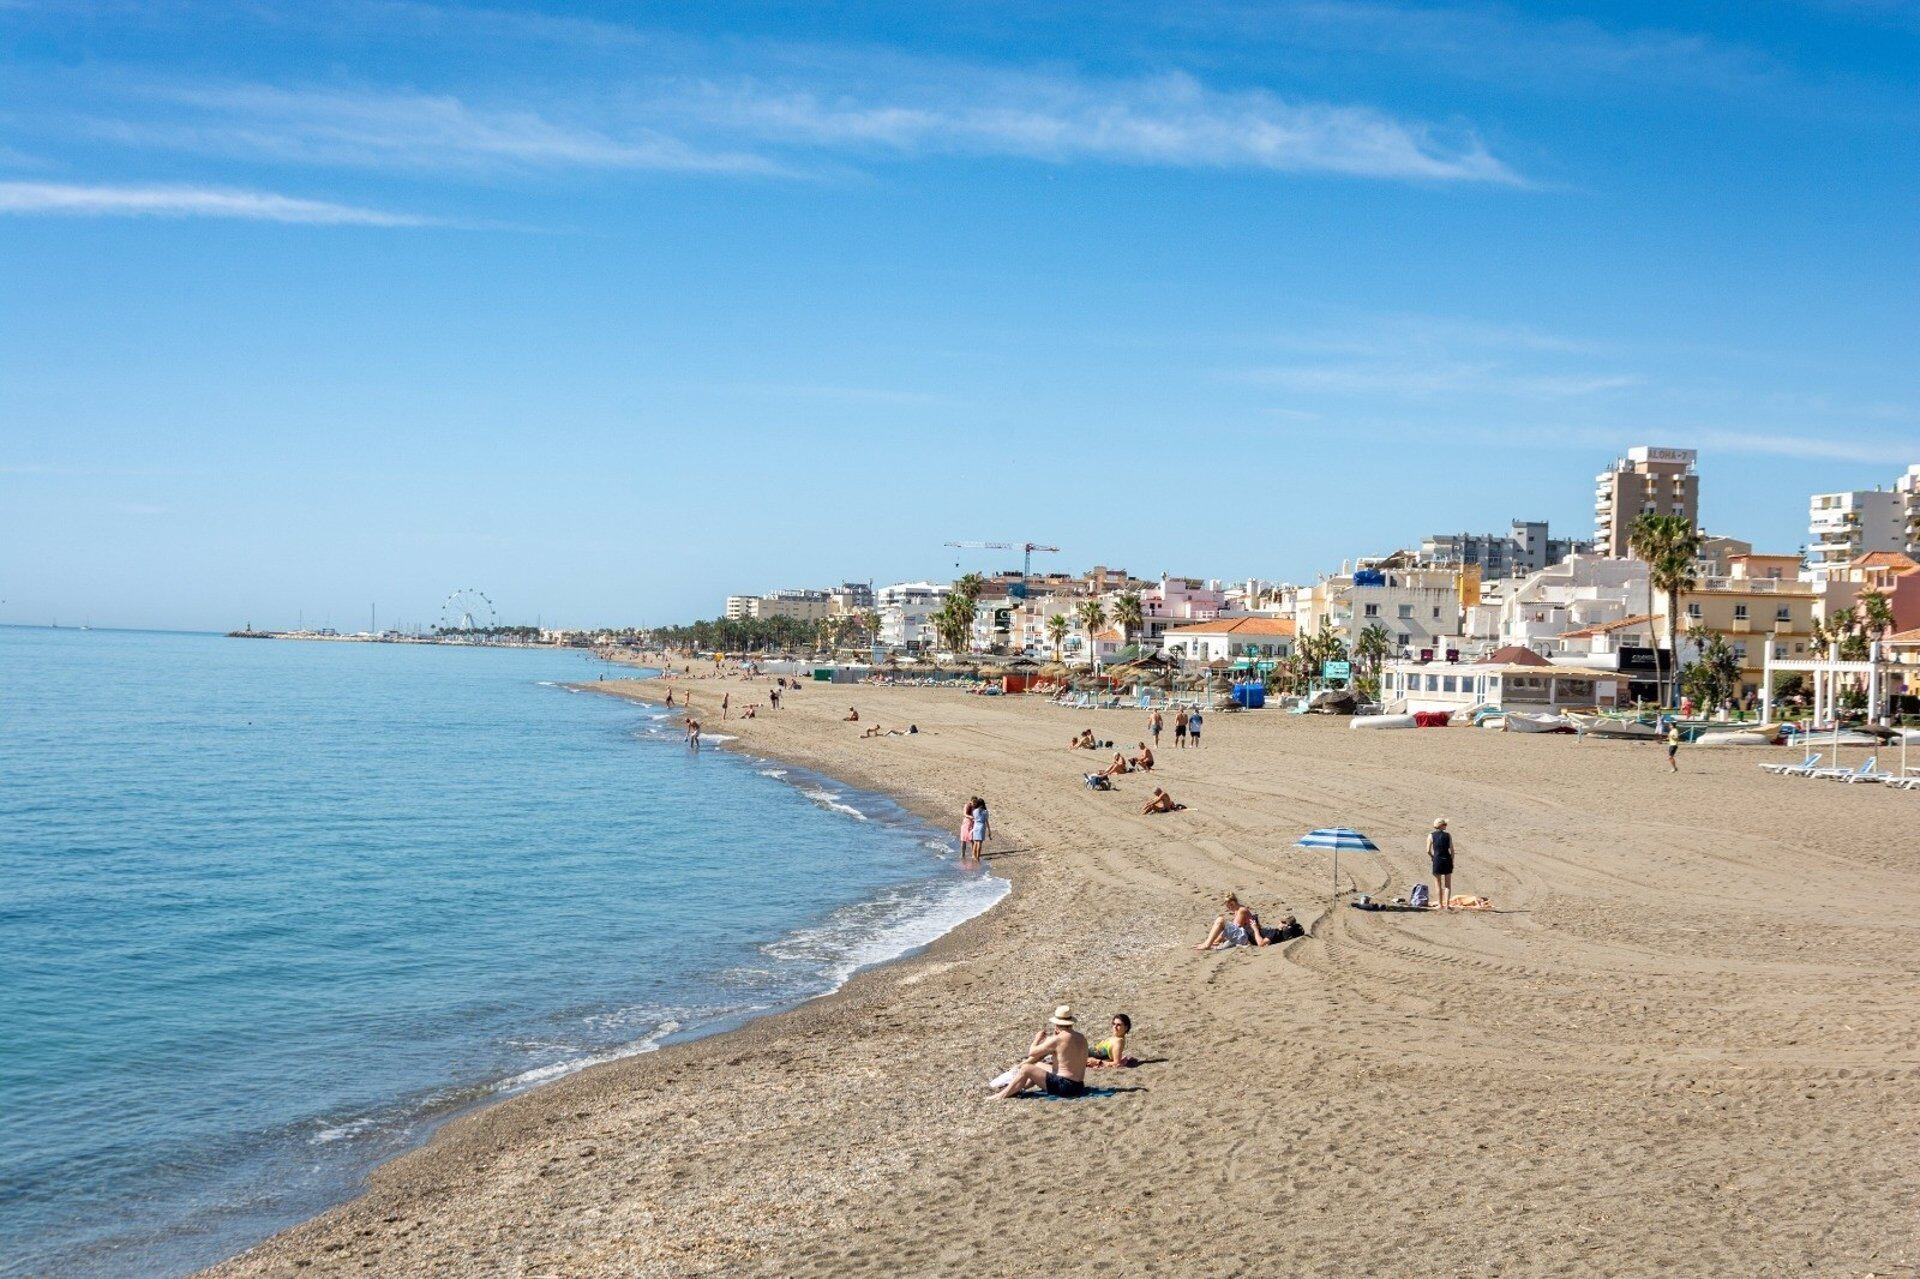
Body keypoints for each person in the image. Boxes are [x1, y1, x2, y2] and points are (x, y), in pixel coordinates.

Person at [995, 1005, 1089, 1099]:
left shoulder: (1058, 1039)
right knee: (1038, 1065)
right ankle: (1019, 1088)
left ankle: (1002, 1095)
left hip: (1065, 1087)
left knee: (1026, 1068)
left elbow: (1032, 1052)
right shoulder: (1081, 1037)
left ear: (1056, 1024)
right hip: (1079, 1086)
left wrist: (1037, 1039)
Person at [1194, 894, 1267, 949]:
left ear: (1234, 902)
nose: (1230, 908)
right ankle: (1208, 943)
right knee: (1221, 928)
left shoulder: (1241, 910)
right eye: (1228, 906)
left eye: (1231, 905)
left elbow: (1235, 928)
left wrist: (1217, 940)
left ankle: (1207, 944)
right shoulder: (1238, 910)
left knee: (1220, 920)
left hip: (1245, 937)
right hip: (1243, 936)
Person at [1427, 818, 1455, 909]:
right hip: (1447, 859)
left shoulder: (1431, 835)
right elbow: (1452, 850)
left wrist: (1432, 857)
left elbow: (1427, 850)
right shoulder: (1448, 835)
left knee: (1438, 883)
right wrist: (1452, 860)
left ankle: (1440, 904)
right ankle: (1447, 905)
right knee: (1448, 885)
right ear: (1442, 826)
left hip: (1437, 860)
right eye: (1445, 825)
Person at [959, 798, 978, 863]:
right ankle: (962, 854)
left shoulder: (976, 808)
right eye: (973, 802)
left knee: (972, 839)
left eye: (975, 803)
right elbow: (965, 814)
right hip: (966, 823)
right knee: (963, 839)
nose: (974, 804)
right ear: (971, 801)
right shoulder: (967, 806)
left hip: (973, 824)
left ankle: (973, 854)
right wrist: (970, 817)